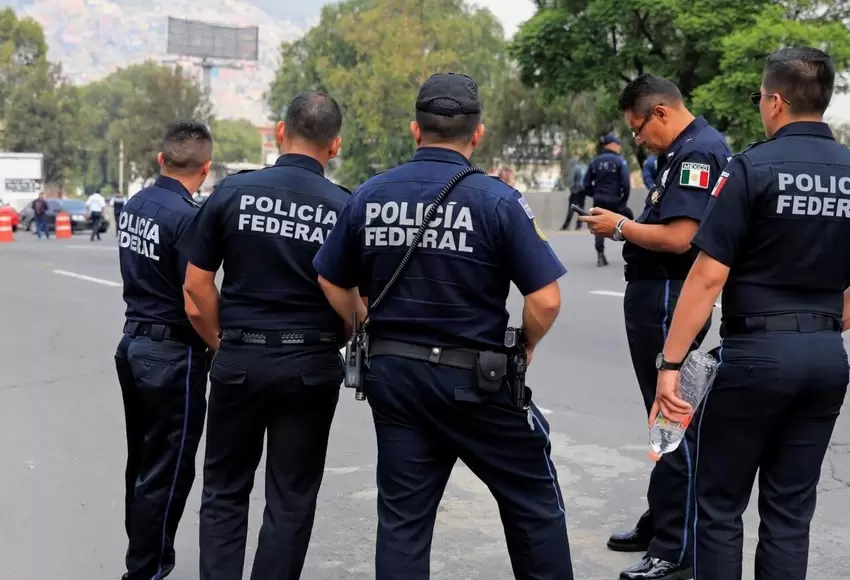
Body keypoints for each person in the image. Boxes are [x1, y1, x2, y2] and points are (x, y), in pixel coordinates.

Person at [313, 72, 574, 580]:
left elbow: (329, 276)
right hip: (477, 382)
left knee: (404, 523)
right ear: (476, 134)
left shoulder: (370, 193)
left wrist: (366, 324)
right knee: (532, 502)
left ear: (416, 130)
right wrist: (526, 345)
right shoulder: (496, 200)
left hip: (396, 381)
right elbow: (545, 299)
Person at [653, 46, 850, 580]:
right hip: (826, 356)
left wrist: (671, 366)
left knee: (719, 506)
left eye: (761, 97)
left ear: (776, 101)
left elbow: (707, 276)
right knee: (789, 512)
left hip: (755, 357)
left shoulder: (752, 167)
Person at [177, 91, 350, 580]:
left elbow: (195, 287)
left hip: (239, 359)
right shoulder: (344, 206)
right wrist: (335, 338)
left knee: (225, 490)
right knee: (291, 497)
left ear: (280, 131)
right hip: (311, 366)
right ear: (334, 145)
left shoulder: (232, 193)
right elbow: (355, 300)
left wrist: (221, 341)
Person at [580, 74, 731, 580]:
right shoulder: (683, 150)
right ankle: (662, 518)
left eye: (639, 127)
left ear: (661, 112)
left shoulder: (698, 153)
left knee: (672, 419)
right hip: (655, 292)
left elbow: (680, 238)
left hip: (669, 293)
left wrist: (618, 226)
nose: (637, 139)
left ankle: (676, 548)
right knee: (660, 413)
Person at [114, 121, 218, 580]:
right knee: (169, 469)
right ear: (206, 168)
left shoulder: (136, 203)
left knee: (141, 461)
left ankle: (141, 554)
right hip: (172, 354)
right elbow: (195, 300)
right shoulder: (188, 216)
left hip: (133, 344)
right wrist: (220, 344)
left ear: (162, 159)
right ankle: (147, 568)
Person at [583, 134, 630, 266]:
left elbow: (585, 183)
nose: (619, 147)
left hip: (599, 199)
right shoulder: (620, 161)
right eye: (618, 144)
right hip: (615, 200)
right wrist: (623, 201)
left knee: (598, 226)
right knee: (628, 221)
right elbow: (625, 183)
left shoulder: (595, 161)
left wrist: (595, 194)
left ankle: (600, 255)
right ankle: (633, 254)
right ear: (612, 145)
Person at [561, 153, 588, 230]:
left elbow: (571, 181)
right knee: (581, 208)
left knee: (571, 208)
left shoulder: (575, 168)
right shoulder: (584, 167)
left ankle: (566, 225)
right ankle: (579, 225)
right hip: (583, 190)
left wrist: (571, 189)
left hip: (575, 190)